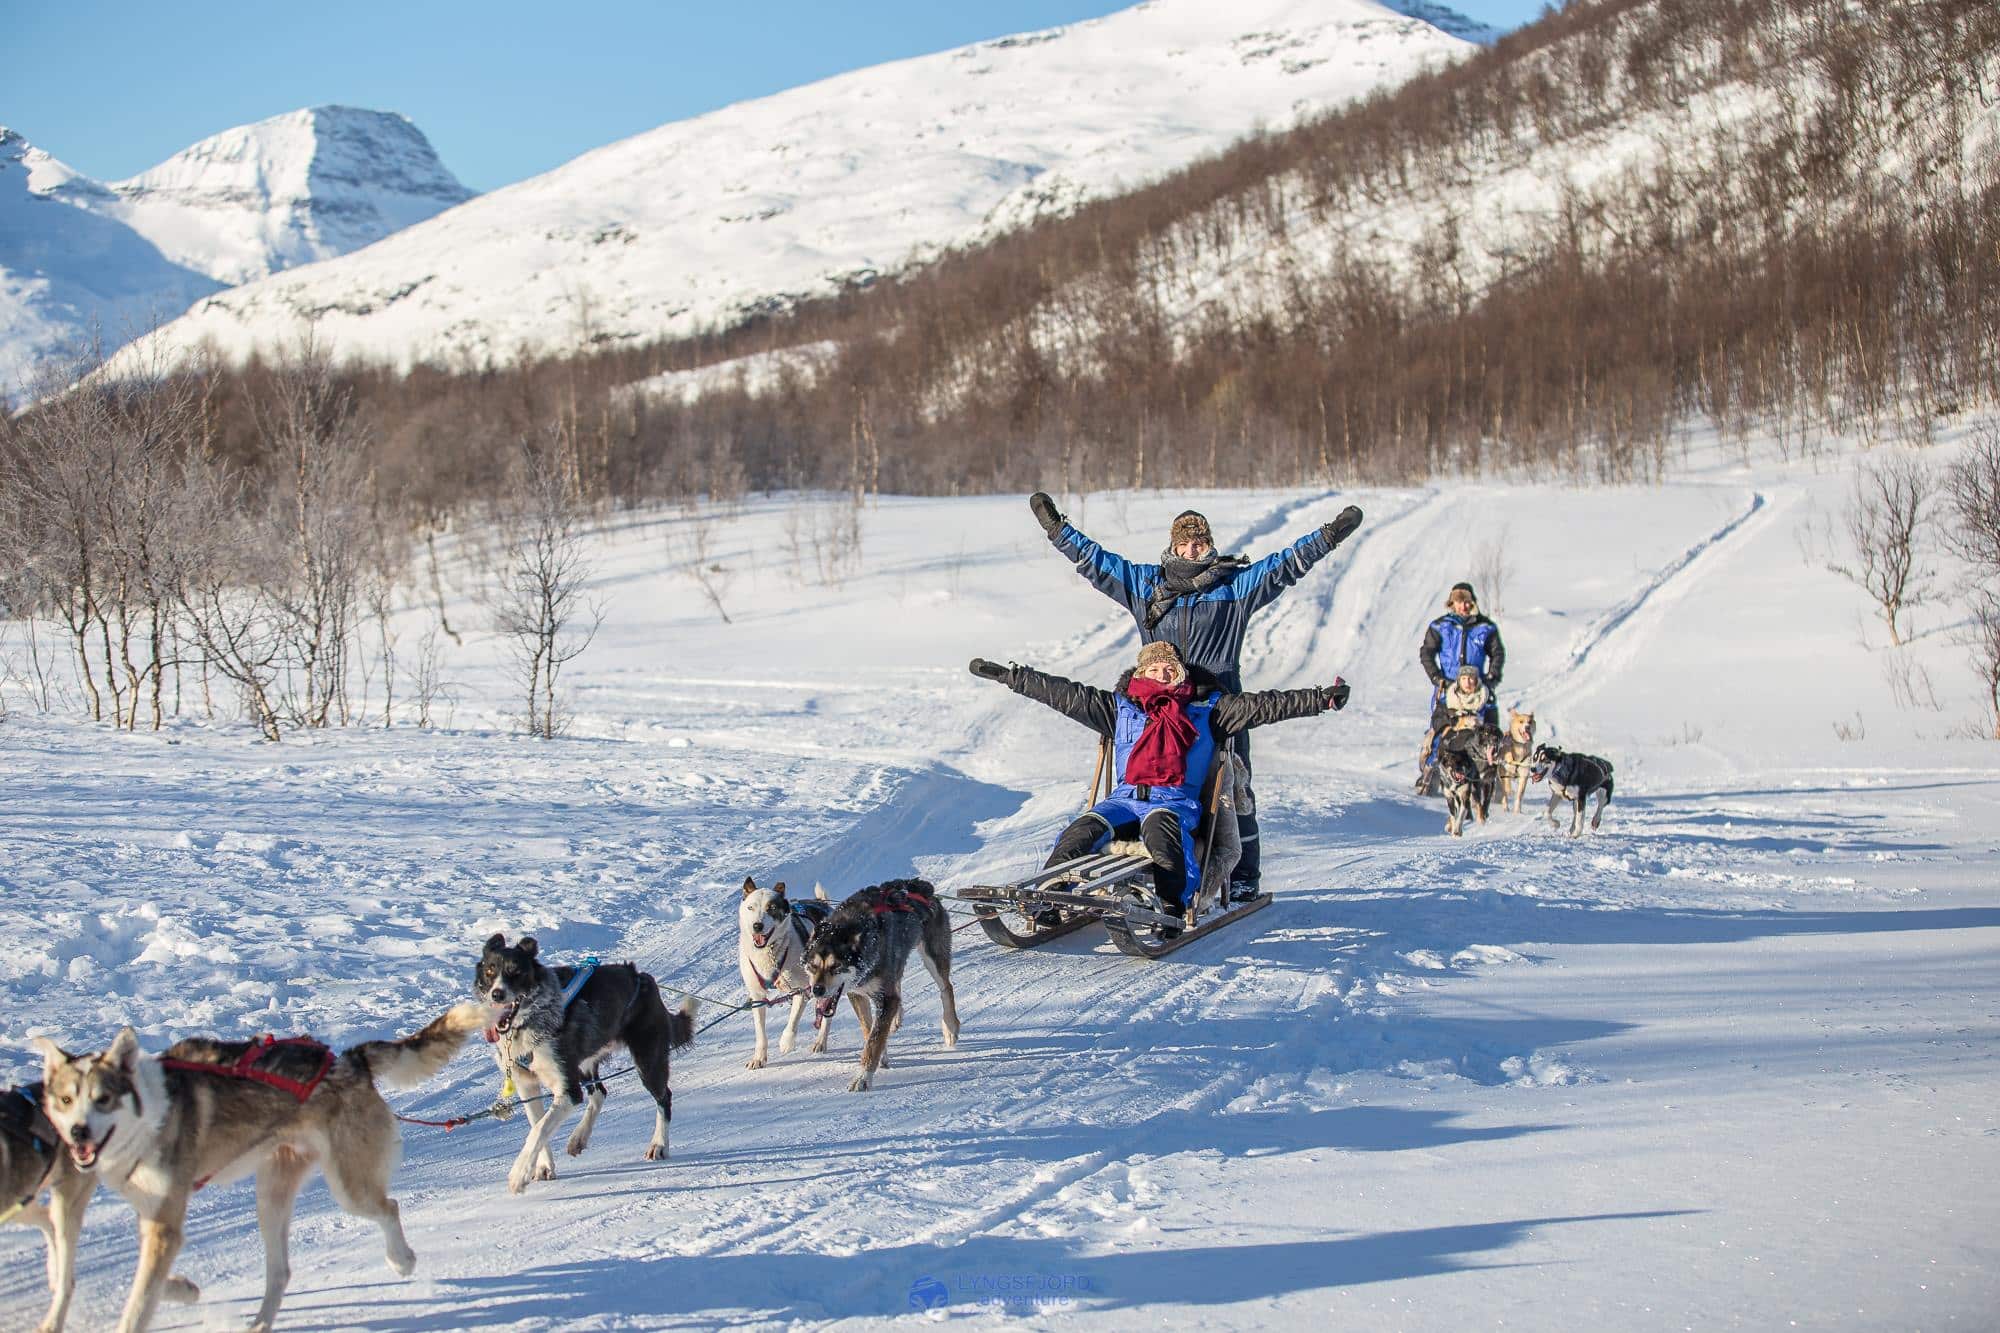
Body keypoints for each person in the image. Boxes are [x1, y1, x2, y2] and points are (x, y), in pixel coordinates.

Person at [1028, 493, 1363, 900]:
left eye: (1199, 543)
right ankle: (1123, 861)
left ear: (1210, 546)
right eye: (1185, 543)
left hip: (1219, 710)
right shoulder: (1146, 586)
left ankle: (1241, 878)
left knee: (1233, 795)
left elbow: (1287, 564)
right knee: (1148, 786)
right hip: (1155, 708)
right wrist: (1057, 529)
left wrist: (1329, 536)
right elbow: (1096, 562)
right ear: (1172, 547)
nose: (1192, 549)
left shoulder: (1234, 587)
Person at [970, 640, 1348, 939]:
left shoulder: (1209, 709)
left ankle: (1171, 906)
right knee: (1080, 831)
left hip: (1174, 803)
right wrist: (1011, 676)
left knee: (1161, 834)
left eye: (1170, 669)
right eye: (1154, 668)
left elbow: (1268, 705)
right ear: (1141, 672)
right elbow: (1064, 693)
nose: (1162, 673)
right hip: (1124, 802)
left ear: (1180, 675)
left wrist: (1321, 698)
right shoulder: (1120, 708)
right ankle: (1050, 897)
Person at [1416, 581, 1503, 788]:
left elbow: (1497, 653)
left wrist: (1491, 678)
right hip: (1448, 689)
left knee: (1488, 733)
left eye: (1467, 602)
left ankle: (1491, 777)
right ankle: (1430, 774)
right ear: (1452, 603)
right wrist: (1437, 678)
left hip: (1477, 691)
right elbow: (1426, 653)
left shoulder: (1485, 627)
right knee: (1442, 731)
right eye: (1460, 602)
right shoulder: (1441, 626)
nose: (1464, 606)